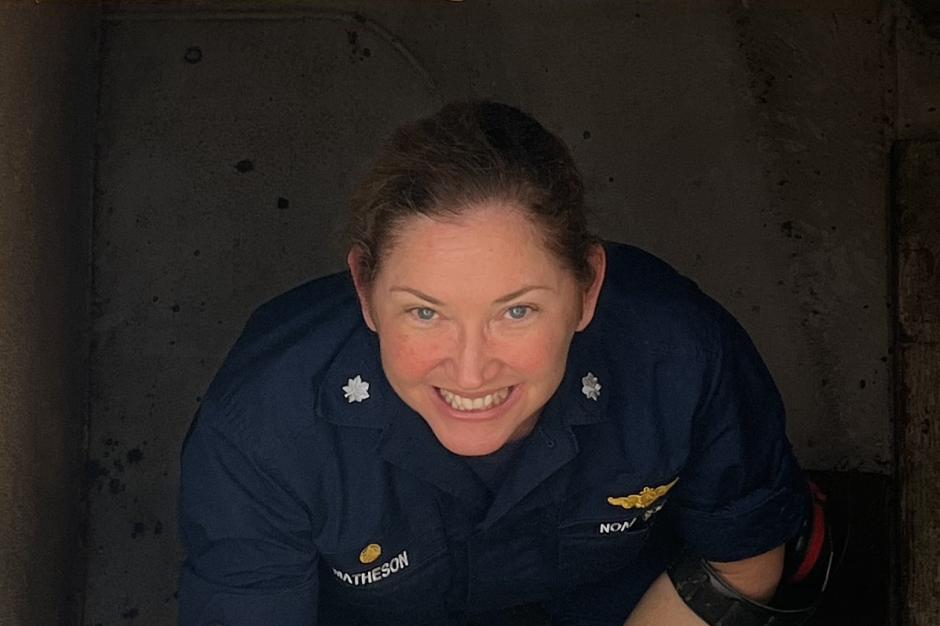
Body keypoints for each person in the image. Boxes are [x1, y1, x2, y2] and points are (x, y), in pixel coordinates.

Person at [178, 101, 816, 625]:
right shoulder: (265, 422)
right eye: (425, 312)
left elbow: (740, 563)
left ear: (587, 287)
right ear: (365, 292)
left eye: (517, 311)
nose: (472, 369)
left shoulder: (677, 353)